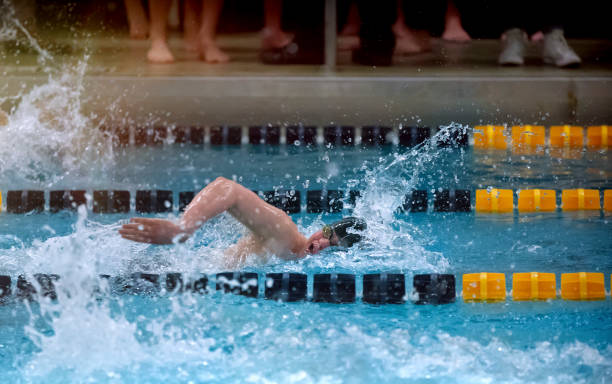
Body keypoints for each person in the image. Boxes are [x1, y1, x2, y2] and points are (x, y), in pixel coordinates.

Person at [119, 177, 366, 266]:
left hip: (193, 268)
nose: (321, 242)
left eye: (332, 246)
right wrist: (184, 228)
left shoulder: (294, 256)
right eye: (326, 232)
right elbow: (228, 188)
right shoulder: (286, 233)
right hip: (193, 269)